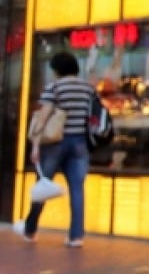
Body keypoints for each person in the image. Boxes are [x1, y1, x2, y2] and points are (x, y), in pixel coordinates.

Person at [14, 52, 92, 247]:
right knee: (77, 189)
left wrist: (36, 145)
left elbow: (44, 116)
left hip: (56, 142)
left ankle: (30, 229)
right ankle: (76, 236)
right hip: (80, 142)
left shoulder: (55, 87)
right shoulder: (87, 88)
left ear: (57, 70)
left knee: (43, 185)